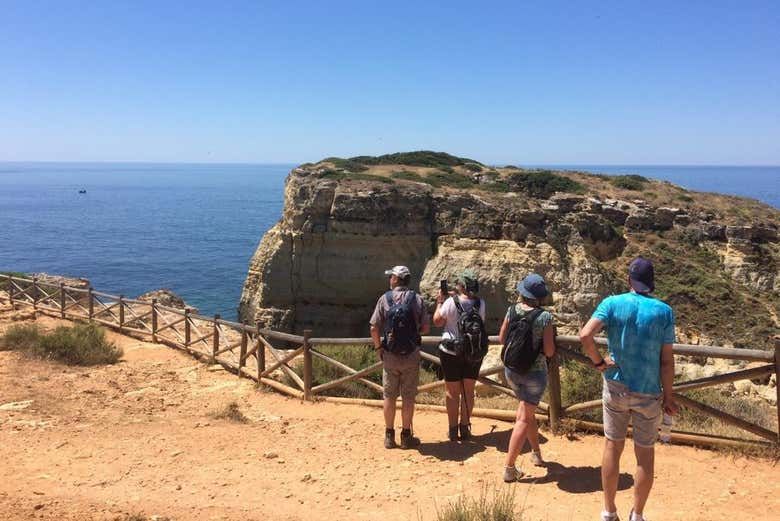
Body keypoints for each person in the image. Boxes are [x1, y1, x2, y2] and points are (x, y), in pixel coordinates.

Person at [579, 257, 677, 521]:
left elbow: (585, 336)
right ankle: (638, 515)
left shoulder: (612, 303)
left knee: (613, 447)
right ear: (652, 282)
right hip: (648, 391)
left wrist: (599, 362)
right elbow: (667, 361)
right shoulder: (664, 312)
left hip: (616, 387)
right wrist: (669, 396)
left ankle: (609, 511)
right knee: (644, 453)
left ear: (629, 280)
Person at [499, 273, 555, 482]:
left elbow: (503, 337)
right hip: (534, 373)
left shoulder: (511, 310)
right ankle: (509, 467)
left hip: (512, 370)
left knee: (526, 411)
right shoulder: (545, 317)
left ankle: (536, 454)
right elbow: (549, 351)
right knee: (523, 416)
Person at [370, 265, 430, 449]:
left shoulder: (385, 299)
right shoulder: (417, 299)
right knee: (408, 397)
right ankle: (406, 436)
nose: (390, 279)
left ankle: (389, 436)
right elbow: (426, 328)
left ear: (396, 279)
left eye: (392, 277)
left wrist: (379, 347)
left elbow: (374, 327)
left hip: (390, 355)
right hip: (411, 355)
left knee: (389, 395)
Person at [432, 269, 487, 441]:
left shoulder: (450, 302)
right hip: (473, 351)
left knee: (452, 392)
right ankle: (465, 428)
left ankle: (453, 430)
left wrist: (439, 302)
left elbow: (437, 321)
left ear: (462, 285)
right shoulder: (480, 303)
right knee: (468, 391)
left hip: (451, 351)